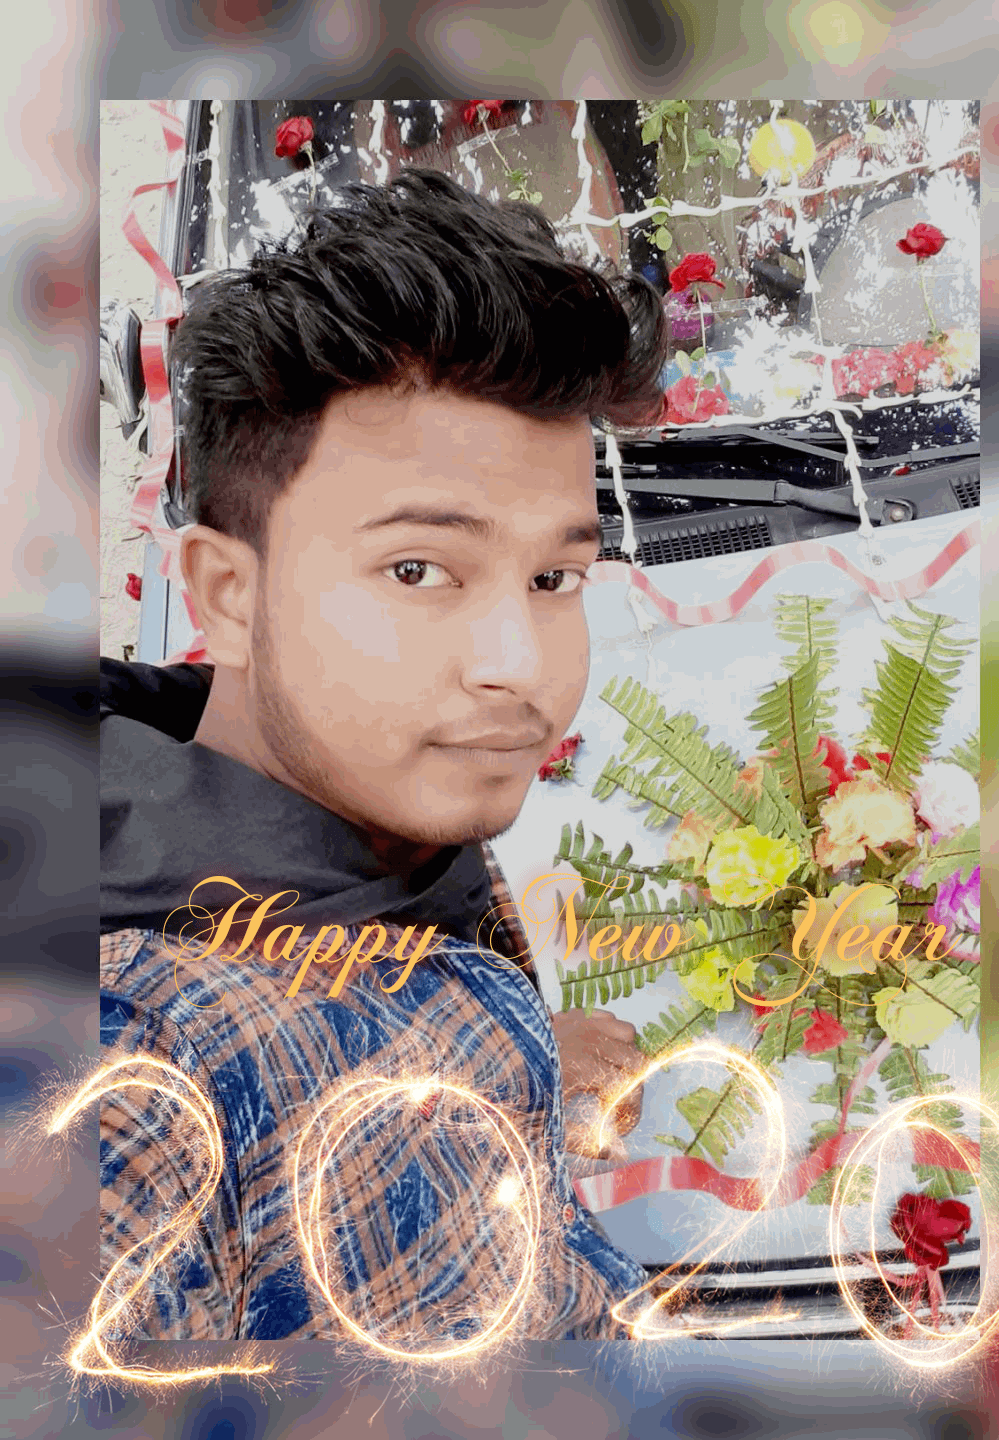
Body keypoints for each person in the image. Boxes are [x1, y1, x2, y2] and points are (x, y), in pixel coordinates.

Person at [99, 169, 668, 1345]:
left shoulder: (391, 842)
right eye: (419, 571)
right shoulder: (129, 1047)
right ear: (228, 595)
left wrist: (513, 1071)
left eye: (554, 577)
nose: (518, 664)